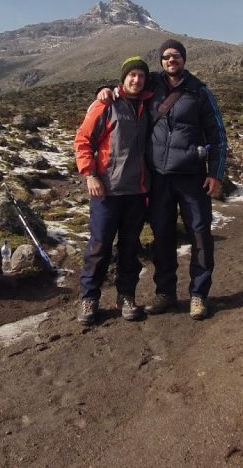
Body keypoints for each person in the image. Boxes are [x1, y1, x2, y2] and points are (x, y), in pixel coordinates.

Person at [98, 38, 227, 321]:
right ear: (161, 61)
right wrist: (103, 91)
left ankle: (198, 295)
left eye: (176, 56)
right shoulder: (151, 85)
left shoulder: (200, 91)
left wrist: (215, 173)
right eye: (167, 56)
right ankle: (165, 293)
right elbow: (125, 87)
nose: (171, 60)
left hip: (192, 177)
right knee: (163, 237)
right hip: (158, 178)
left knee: (200, 235)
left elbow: (218, 134)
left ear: (183, 59)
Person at [73, 56, 154, 325]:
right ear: (123, 78)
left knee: (130, 247)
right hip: (106, 190)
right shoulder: (106, 104)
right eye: (132, 75)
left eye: (141, 76)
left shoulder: (148, 103)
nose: (137, 80)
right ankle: (89, 297)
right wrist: (89, 174)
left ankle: (126, 296)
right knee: (99, 246)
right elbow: (83, 140)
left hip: (136, 191)